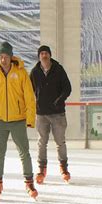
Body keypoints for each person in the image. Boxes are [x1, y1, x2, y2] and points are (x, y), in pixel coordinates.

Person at [0, 41, 38, 201]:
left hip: (18, 120)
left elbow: (29, 97)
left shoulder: (21, 73)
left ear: (11, 57)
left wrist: (30, 118)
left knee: (24, 152)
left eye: (6, 56)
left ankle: (29, 182)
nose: (3, 59)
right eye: (0, 56)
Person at [30, 45, 72, 184]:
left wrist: (59, 101)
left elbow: (67, 88)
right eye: (41, 53)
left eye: (46, 53)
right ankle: (42, 169)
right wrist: (33, 105)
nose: (44, 55)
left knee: (60, 142)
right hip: (41, 114)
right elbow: (29, 91)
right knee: (42, 143)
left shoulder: (58, 70)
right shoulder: (35, 72)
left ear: (50, 55)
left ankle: (64, 168)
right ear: (39, 56)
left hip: (58, 113)